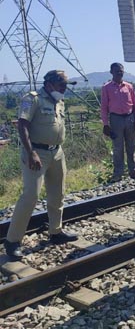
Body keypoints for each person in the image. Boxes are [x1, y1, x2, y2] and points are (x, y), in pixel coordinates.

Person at [3, 70, 79, 260]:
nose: (65, 89)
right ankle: (12, 241)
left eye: (66, 85)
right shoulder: (32, 99)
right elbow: (22, 125)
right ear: (49, 84)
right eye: (62, 85)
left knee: (58, 193)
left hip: (57, 152)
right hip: (36, 153)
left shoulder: (59, 101)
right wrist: (31, 153)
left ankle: (56, 231)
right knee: (30, 196)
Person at [101, 62, 135, 182]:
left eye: (121, 71)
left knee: (132, 146)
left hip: (130, 118)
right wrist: (105, 124)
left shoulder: (129, 86)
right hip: (116, 119)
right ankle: (118, 173)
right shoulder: (106, 87)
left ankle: (134, 170)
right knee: (118, 148)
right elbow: (104, 107)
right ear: (111, 72)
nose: (119, 73)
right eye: (117, 71)